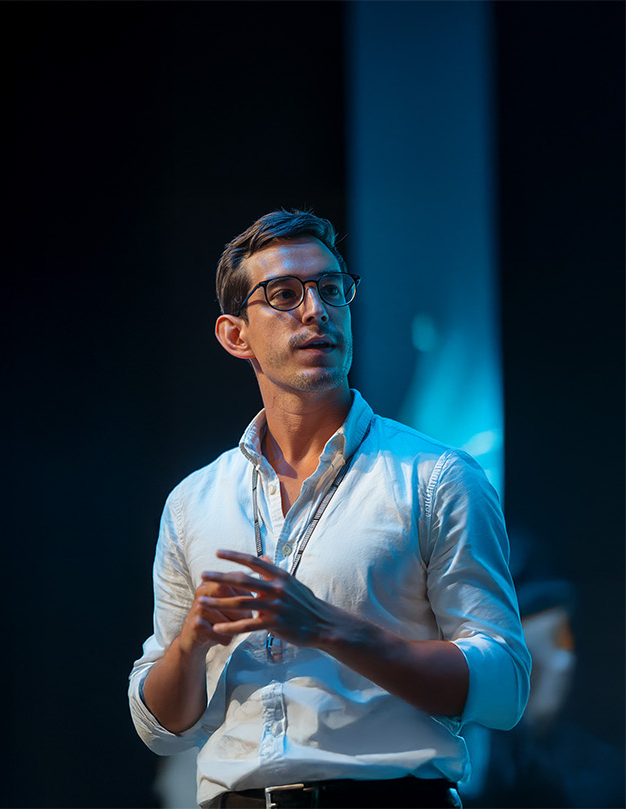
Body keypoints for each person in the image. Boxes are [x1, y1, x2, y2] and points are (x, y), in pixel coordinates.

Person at [127, 210, 530, 808]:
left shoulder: (436, 477)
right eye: (285, 294)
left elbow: (503, 685)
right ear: (236, 336)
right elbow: (160, 728)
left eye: (332, 289)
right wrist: (190, 643)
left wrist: (329, 629)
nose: (316, 309)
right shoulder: (194, 501)